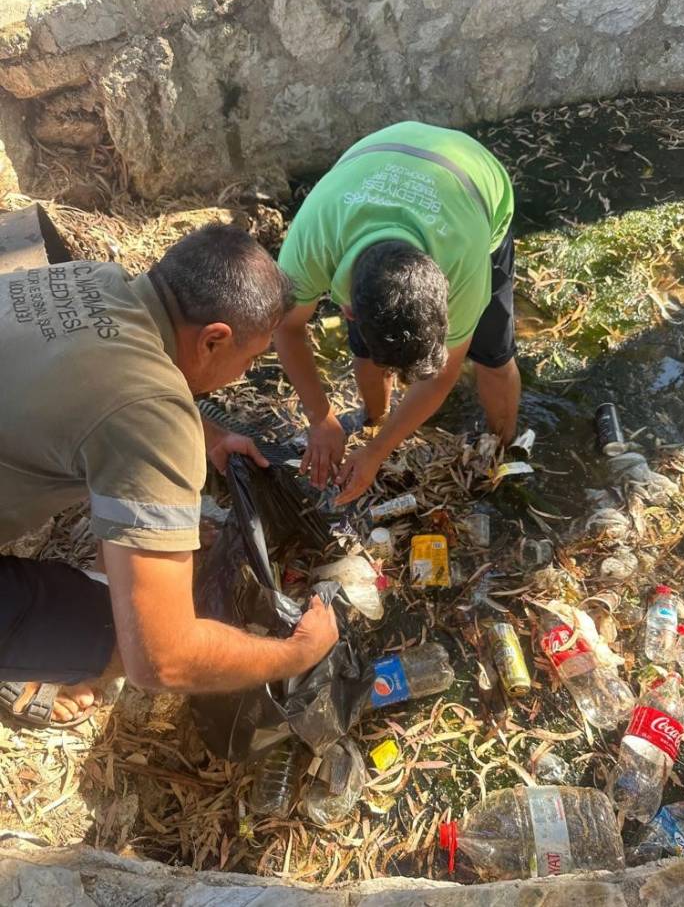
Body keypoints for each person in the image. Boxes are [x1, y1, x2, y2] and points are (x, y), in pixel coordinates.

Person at [0, 223, 338, 728]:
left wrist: (213, 437)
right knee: (118, 629)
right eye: (250, 358)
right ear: (213, 340)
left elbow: (108, 380)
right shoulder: (157, 421)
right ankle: (27, 665)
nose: (246, 373)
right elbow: (162, 659)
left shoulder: (92, 279)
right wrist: (298, 652)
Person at [275, 121, 520, 505]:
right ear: (349, 310)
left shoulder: (466, 266)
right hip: (376, 164)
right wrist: (320, 417)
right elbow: (286, 329)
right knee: (368, 354)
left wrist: (376, 454)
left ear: (447, 302)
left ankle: (500, 447)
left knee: (493, 357)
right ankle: (375, 418)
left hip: (472, 182)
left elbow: (440, 378)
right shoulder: (311, 242)